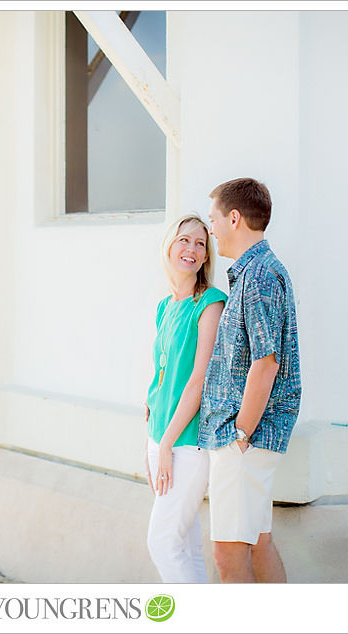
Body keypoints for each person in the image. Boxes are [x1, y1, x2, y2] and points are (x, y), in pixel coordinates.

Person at [198, 177, 302, 583]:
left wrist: (240, 433)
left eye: (213, 219)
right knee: (258, 545)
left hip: (244, 438)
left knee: (227, 555)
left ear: (235, 218)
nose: (211, 229)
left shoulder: (258, 276)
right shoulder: (257, 272)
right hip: (248, 438)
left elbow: (266, 363)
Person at [144, 214, 227, 583]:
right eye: (184, 240)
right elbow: (161, 376)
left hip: (186, 444)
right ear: (169, 245)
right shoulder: (165, 307)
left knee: (162, 542)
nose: (192, 249)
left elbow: (197, 382)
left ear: (207, 255)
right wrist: (151, 439)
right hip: (159, 437)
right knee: (186, 545)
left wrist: (165, 446)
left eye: (200, 243)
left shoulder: (210, 302)